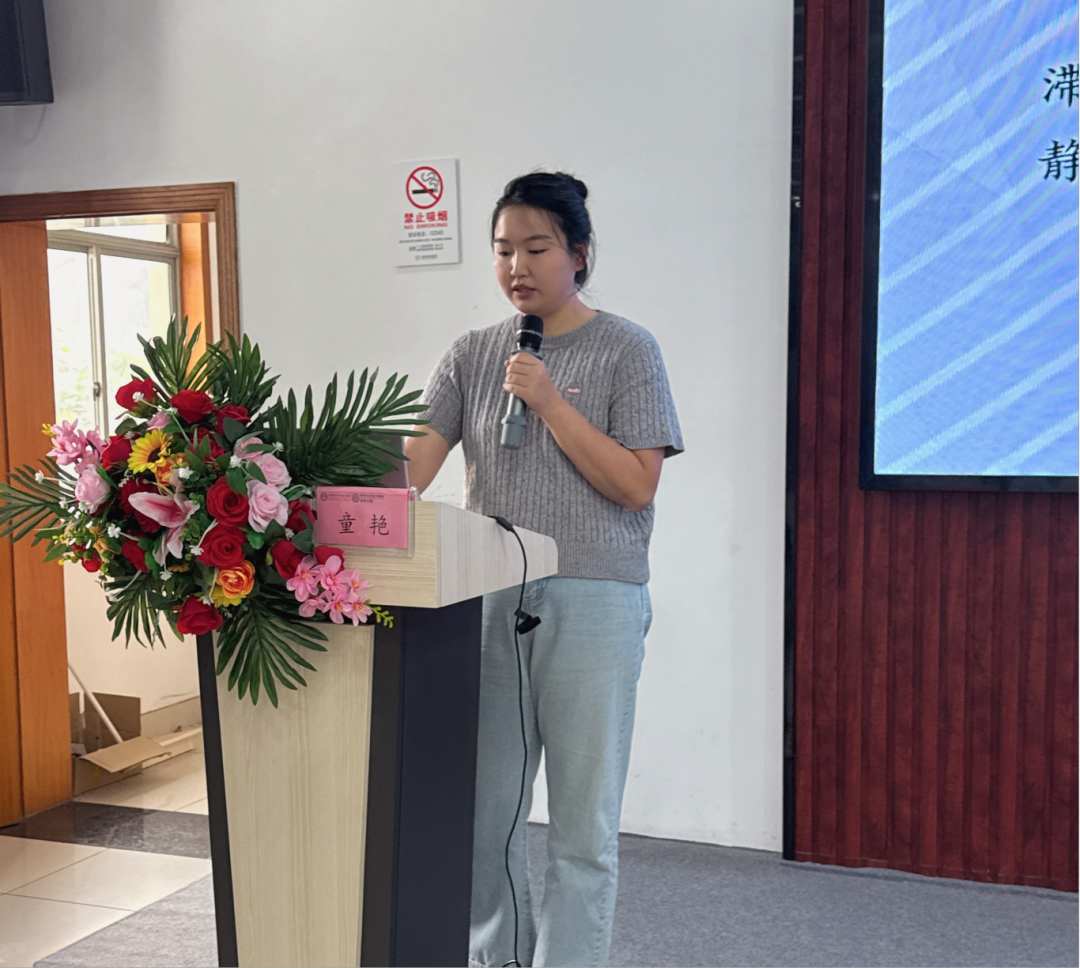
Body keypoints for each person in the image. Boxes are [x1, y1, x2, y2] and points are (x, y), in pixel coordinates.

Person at [405, 171, 683, 968]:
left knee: (581, 827)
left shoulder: (628, 348)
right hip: (489, 598)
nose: (516, 267)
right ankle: (497, 958)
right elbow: (411, 469)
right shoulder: (472, 354)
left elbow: (635, 485)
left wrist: (552, 402)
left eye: (536, 248)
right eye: (502, 251)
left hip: (596, 600)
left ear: (580, 253)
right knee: (485, 818)